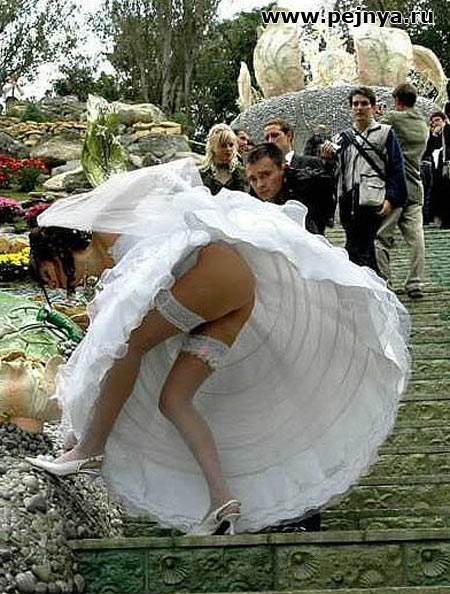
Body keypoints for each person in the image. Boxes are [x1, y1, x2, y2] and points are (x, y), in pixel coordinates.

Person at [26, 158, 410, 536]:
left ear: (57, 251)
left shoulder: (104, 225)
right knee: (173, 399)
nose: (55, 284)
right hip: (232, 297)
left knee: (129, 346)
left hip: (216, 272)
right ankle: (222, 501)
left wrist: (188, 203)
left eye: (47, 273)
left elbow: (164, 174)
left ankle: (90, 451)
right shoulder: (109, 272)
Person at [322, 86, 408, 274]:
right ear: (350, 108)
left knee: (371, 251)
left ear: (373, 107)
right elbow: (334, 173)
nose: (359, 108)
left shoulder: (385, 133)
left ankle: (379, 286)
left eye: (364, 104)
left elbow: (396, 168)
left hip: (373, 200)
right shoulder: (341, 138)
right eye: (355, 104)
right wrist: (327, 159)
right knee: (353, 250)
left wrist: (391, 199)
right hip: (348, 202)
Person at [375, 83, 429, 299]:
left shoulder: (393, 118)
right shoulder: (423, 123)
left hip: (395, 189)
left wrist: (378, 114)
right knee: (416, 239)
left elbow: (375, 132)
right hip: (415, 188)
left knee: (381, 238)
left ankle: (385, 282)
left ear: (397, 100)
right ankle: (415, 282)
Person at [245, 142, 334, 234]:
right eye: (253, 179)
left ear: (283, 168)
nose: (259, 185)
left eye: (266, 175)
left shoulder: (307, 186)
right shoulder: (251, 202)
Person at [200, 124, 248, 195]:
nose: (228, 149)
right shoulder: (202, 174)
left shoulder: (243, 173)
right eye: (223, 145)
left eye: (231, 145)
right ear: (213, 148)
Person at [423, 111, 450, 229]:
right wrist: (433, 135)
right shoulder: (432, 135)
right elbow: (427, 150)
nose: (435, 123)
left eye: (438, 120)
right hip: (437, 169)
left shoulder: (447, 131)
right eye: (433, 121)